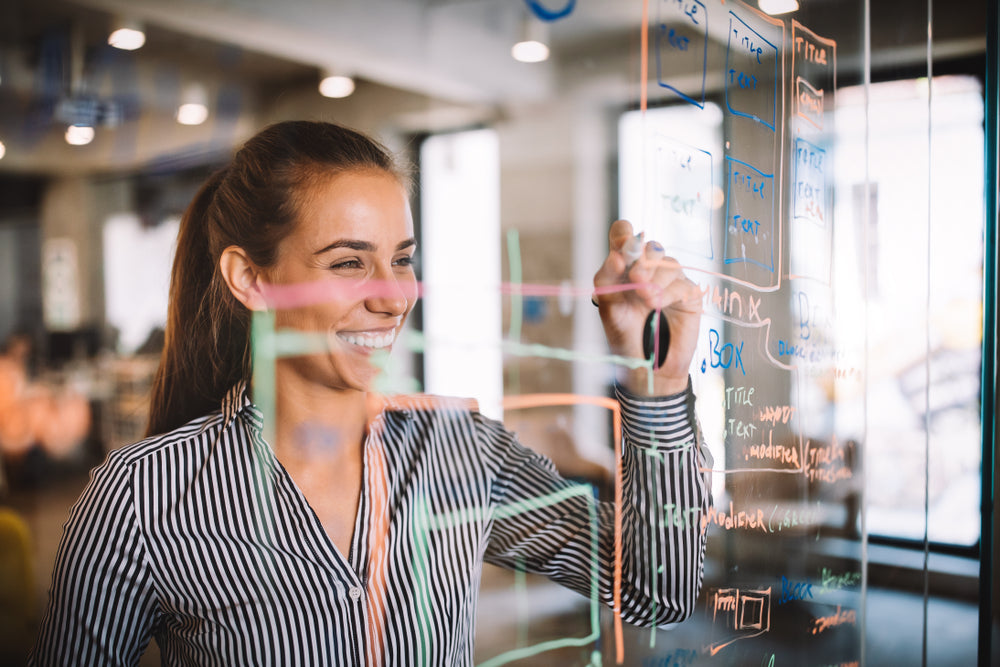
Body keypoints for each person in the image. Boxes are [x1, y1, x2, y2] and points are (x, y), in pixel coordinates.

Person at [30, 120, 711, 666]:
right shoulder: (140, 497)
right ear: (250, 278)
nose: (393, 296)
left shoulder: (460, 453)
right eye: (350, 262)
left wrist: (657, 379)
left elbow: (659, 589)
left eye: (403, 258)